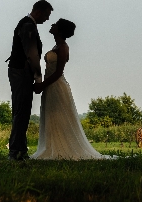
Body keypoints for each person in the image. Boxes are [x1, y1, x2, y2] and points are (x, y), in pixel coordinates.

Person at [32, 18, 111, 160]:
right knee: (51, 116)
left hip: (56, 85)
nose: (52, 25)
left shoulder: (63, 47)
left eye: (55, 24)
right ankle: (52, 146)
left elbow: (58, 72)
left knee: (60, 116)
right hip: (49, 85)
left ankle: (62, 148)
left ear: (60, 30)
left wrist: (42, 84)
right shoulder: (56, 46)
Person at [6, 0, 53, 161]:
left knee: (21, 110)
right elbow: (32, 54)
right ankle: (16, 151)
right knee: (22, 110)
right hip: (21, 72)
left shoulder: (26, 24)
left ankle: (19, 149)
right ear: (38, 12)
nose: (47, 19)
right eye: (47, 15)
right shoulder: (28, 26)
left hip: (19, 72)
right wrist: (38, 77)